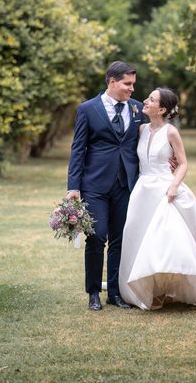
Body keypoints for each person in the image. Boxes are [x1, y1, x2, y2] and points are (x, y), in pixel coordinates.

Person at [119, 87, 196, 310]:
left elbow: (183, 162)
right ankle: (142, 289)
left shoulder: (171, 132)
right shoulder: (141, 129)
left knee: (164, 242)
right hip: (142, 191)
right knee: (139, 237)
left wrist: (174, 185)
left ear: (162, 108)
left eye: (151, 99)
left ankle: (165, 290)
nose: (145, 101)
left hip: (165, 190)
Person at [67, 61, 144, 311]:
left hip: (126, 184)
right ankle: (93, 293)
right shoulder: (88, 109)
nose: (132, 89)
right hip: (95, 184)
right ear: (112, 81)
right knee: (97, 237)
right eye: (127, 84)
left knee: (119, 240)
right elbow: (78, 149)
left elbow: (147, 139)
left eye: (133, 84)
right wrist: (73, 186)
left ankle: (115, 292)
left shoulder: (137, 108)